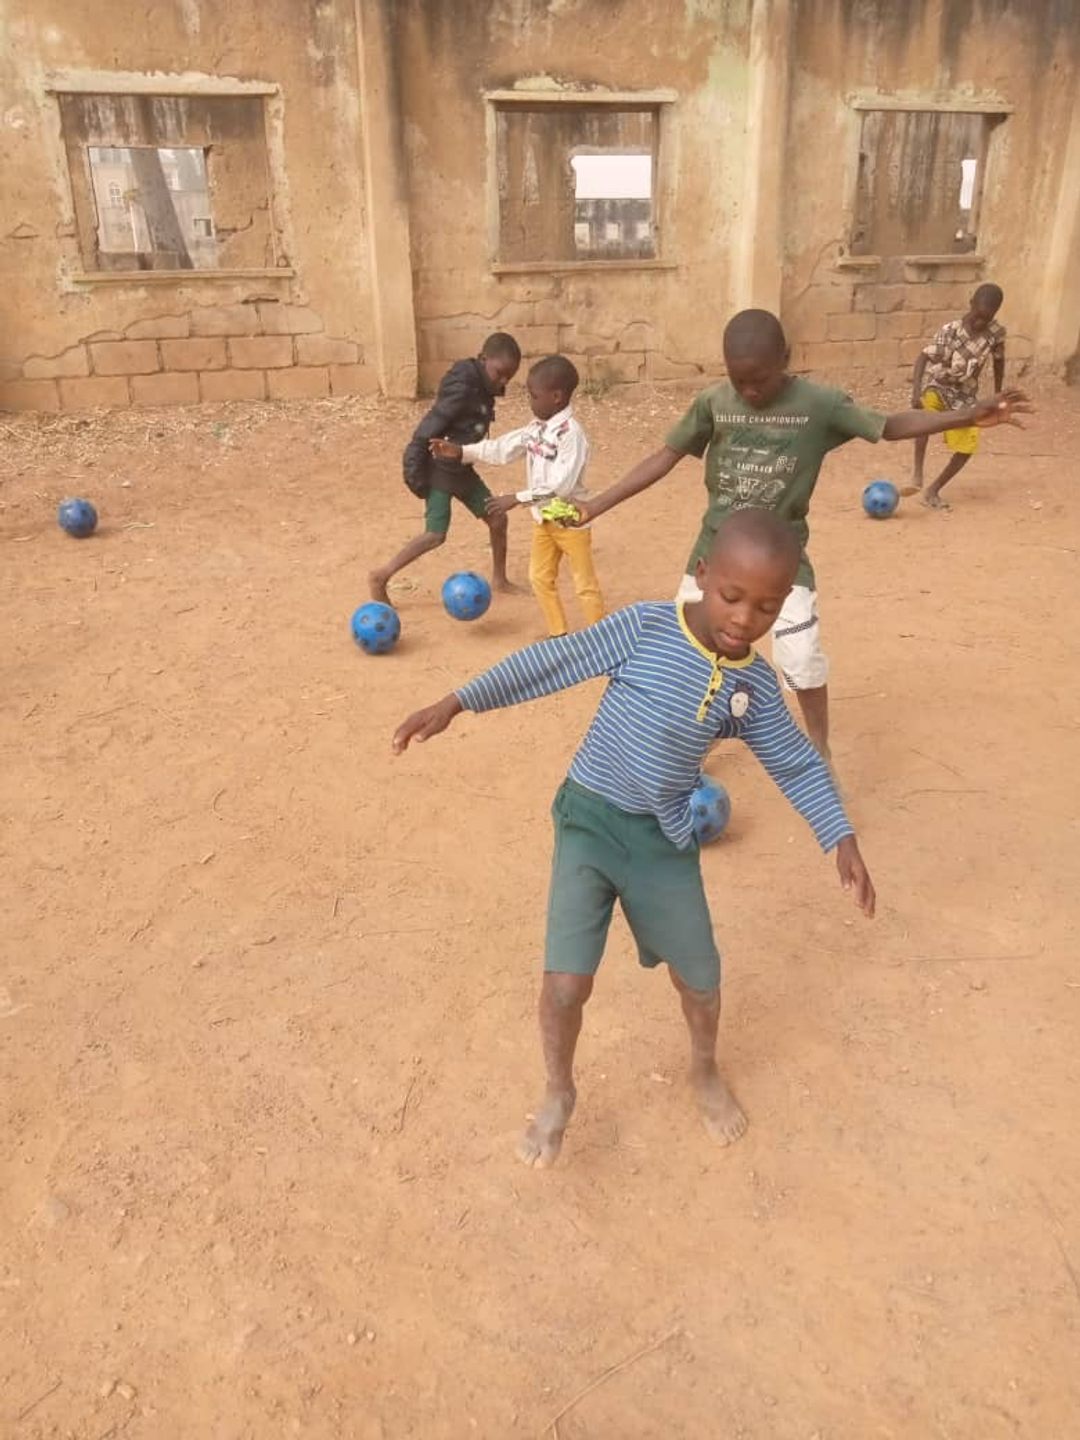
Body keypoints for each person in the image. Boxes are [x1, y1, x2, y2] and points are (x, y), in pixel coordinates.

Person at [392, 509, 876, 1169]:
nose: (744, 619)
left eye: (766, 608)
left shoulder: (753, 685)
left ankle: (703, 1068)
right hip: (590, 822)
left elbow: (794, 761)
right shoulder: (646, 627)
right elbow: (555, 660)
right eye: (732, 596)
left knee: (700, 980)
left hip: (662, 841)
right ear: (702, 575)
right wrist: (458, 701)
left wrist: (839, 836)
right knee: (566, 985)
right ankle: (559, 1090)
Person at [566, 309, 1030, 760]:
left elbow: (890, 426)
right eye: (739, 380)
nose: (749, 391)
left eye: (760, 380)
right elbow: (664, 458)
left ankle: (819, 745)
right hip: (717, 553)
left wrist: (967, 416)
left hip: (780, 558)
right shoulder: (714, 402)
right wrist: (596, 505)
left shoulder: (818, 405)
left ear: (785, 359)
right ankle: (702, 736)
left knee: (801, 658)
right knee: (694, 651)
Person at [430, 354, 604, 639]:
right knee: (539, 577)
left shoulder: (571, 435)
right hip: (544, 520)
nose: (529, 402)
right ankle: (558, 633)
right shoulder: (536, 428)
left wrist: (516, 498)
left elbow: (560, 486)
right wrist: (462, 451)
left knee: (584, 583)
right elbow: (502, 448)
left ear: (557, 397)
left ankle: (602, 638)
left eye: (534, 396)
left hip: (571, 522)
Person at [369, 332, 522, 605]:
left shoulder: (481, 386)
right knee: (435, 535)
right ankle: (381, 576)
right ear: (484, 359)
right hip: (440, 472)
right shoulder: (462, 388)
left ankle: (500, 579)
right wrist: (413, 467)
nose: (502, 381)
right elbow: (430, 425)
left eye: (508, 377)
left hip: (461, 468)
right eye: (499, 373)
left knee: (498, 519)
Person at [908, 283, 1007, 510]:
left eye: (986, 319)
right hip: (939, 385)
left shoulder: (995, 333)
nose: (980, 322)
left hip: (965, 394)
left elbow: (999, 360)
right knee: (924, 419)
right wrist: (916, 392)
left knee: (968, 445)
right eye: (978, 315)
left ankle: (933, 490)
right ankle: (917, 473)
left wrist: (998, 394)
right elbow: (923, 358)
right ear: (971, 304)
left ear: (994, 315)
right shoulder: (950, 331)